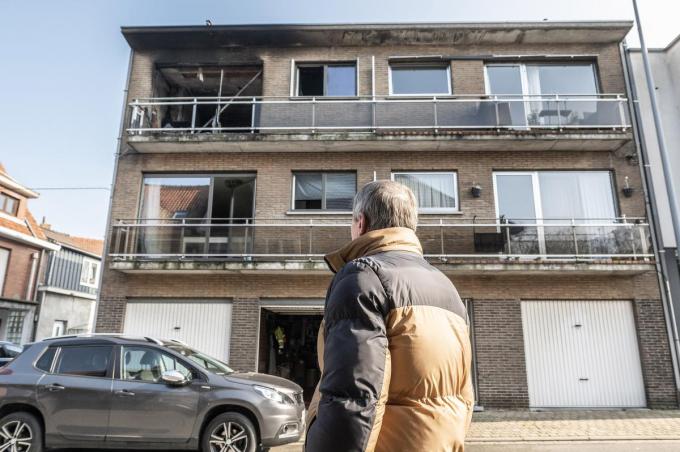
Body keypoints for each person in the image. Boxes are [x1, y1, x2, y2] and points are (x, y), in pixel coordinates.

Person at [306, 180, 474, 452]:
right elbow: (464, 394)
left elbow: (355, 400)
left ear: (360, 223)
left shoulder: (363, 277)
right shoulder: (447, 288)